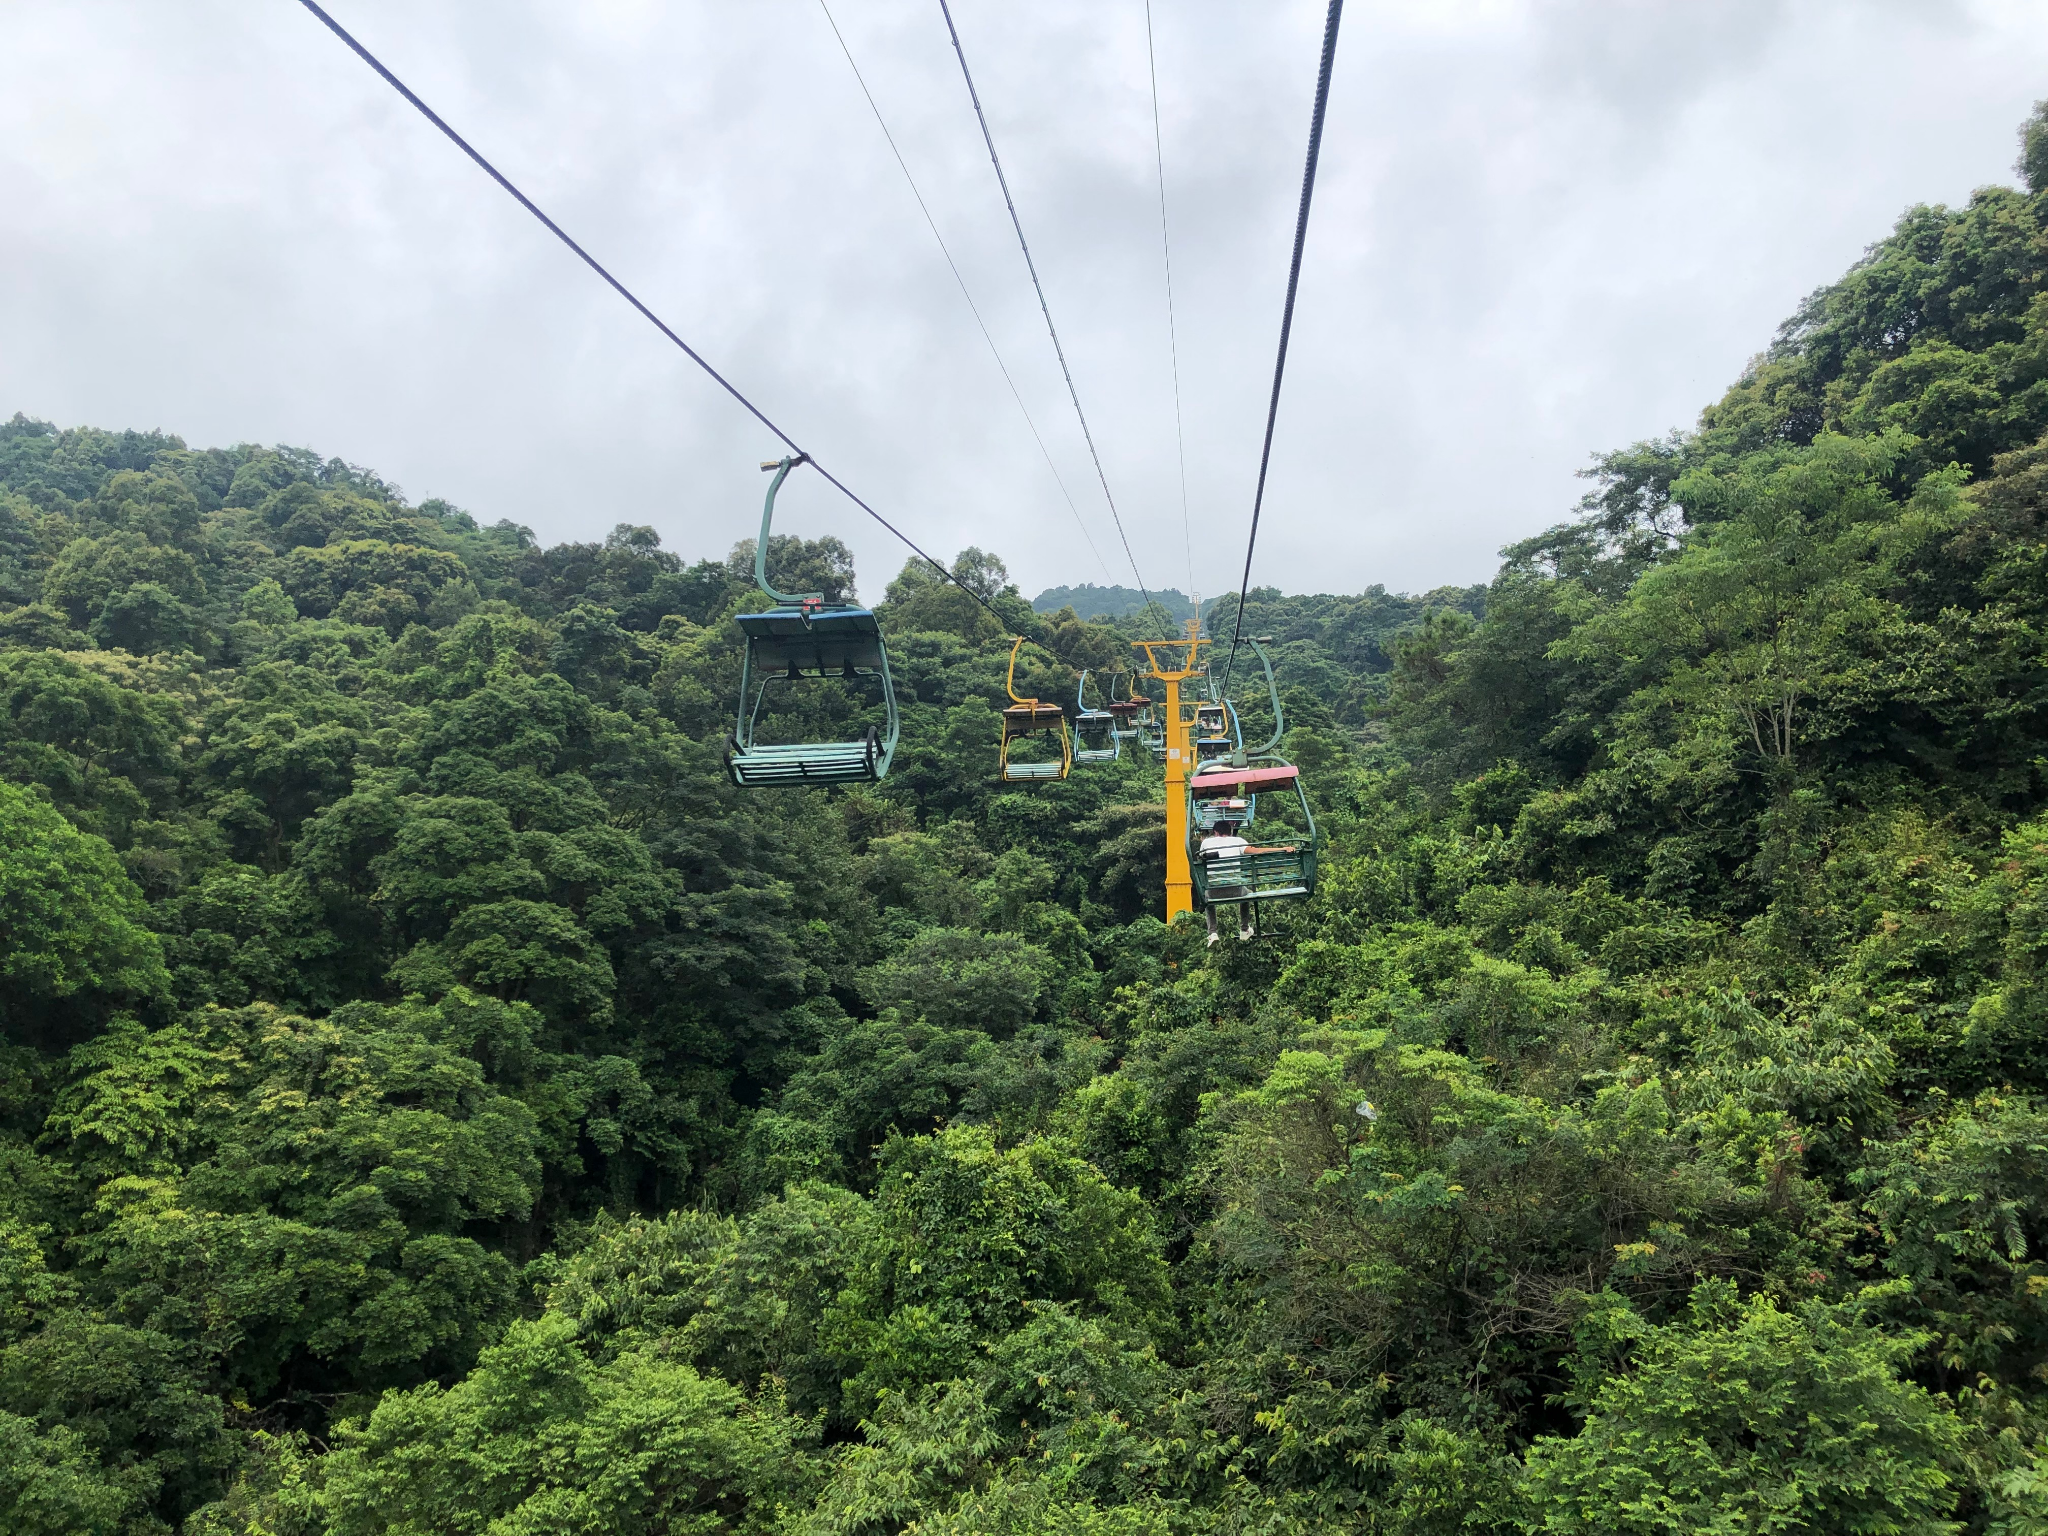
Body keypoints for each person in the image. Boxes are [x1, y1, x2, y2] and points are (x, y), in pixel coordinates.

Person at [1199, 803, 1256, 944]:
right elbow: (1255, 851)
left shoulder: (1206, 843)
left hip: (1213, 892)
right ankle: (1244, 929)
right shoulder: (1237, 841)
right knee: (1247, 894)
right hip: (1235, 890)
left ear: (1215, 832)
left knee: (1207, 898)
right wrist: (1283, 848)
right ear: (1229, 832)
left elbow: (1200, 861)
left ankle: (1212, 933)